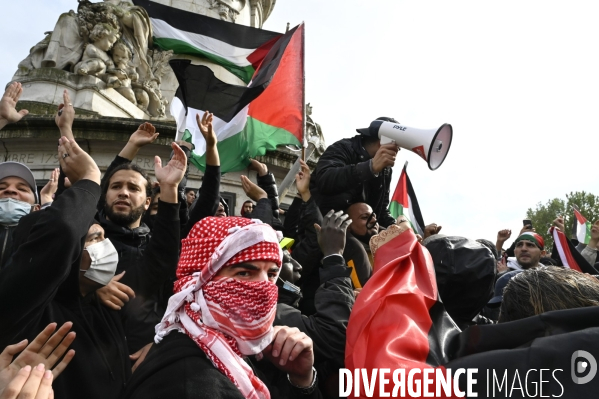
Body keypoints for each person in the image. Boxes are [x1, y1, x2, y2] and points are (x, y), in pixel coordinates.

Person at [121, 217, 321, 398]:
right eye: (244, 273)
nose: (263, 288)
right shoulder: (189, 383)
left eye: (270, 275)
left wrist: (301, 380)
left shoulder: (233, 349)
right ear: (199, 281)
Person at [309, 117, 400, 228]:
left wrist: (397, 227)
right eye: (397, 148)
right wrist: (369, 168)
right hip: (322, 228)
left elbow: (380, 211)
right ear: (383, 144)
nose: (396, 152)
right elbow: (325, 179)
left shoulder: (385, 171)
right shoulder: (344, 147)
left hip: (356, 232)